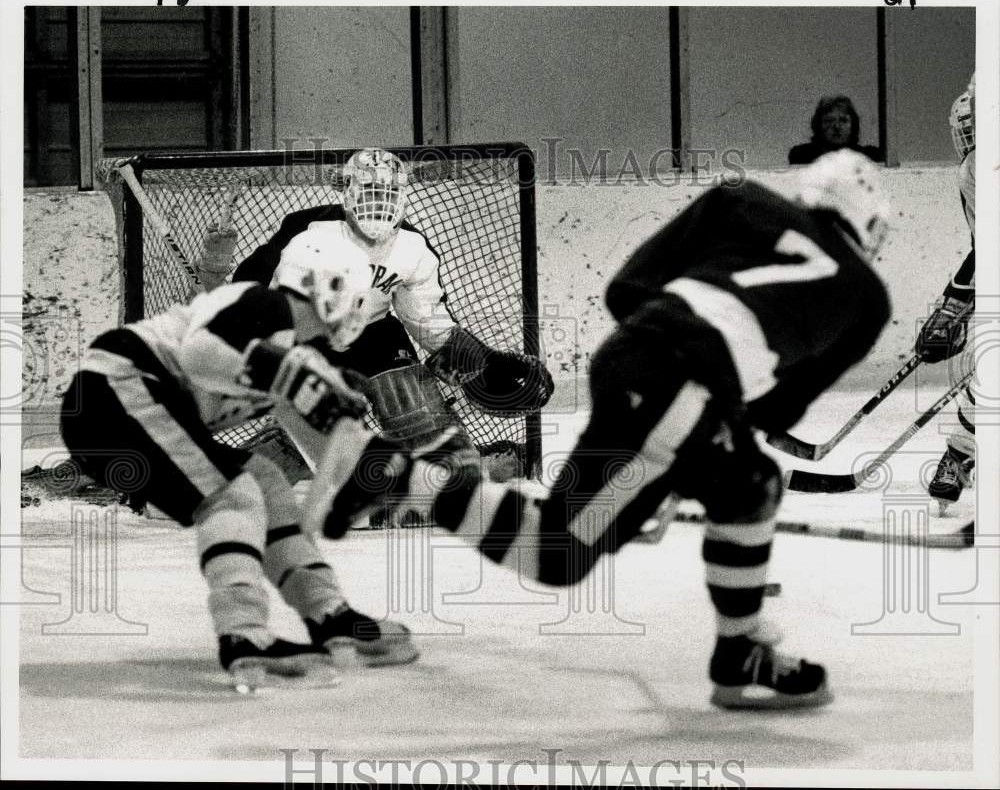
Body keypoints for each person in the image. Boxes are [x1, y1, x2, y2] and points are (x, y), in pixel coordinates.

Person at [311, 149, 893, 710]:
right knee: (562, 549)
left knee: (745, 482)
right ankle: (400, 473)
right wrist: (683, 436)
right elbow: (778, 411)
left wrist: (681, 442)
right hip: (681, 387)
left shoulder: (744, 199)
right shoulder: (867, 298)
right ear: (867, 221)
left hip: (635, 354)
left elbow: (628, 288)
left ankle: (740, 652)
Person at [59, 231, 419, 689]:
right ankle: (245, 638)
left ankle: (329, 614)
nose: (360, 308)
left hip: (115, 406)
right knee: (233, 495)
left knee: (265, 481)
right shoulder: (263, 307)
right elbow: (201, 354)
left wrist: (366, 474)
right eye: (357, 293)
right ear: (330, 285)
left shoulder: (292, 350)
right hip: (117, 390)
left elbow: (323, 441)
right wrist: (298, 382)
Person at [226, 148, 553, 522]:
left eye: (387, 192)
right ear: (347, 191)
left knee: (438, 452)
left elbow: (427, 321)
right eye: (368, 191)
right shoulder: (305, 230)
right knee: (281, 464)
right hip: (312, 343)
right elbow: (253, 291)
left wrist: (481, 362)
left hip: (377, 337)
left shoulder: (412, 247)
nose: (378, 201)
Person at [915, 73, 976, 511]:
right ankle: (958, 456)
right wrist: (955, 302)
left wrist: (956, 303)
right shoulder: (974, 171)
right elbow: (988, 248)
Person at [789, 96, 882, 165]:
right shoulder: (802, 155)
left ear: (853, 125)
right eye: (829, 121)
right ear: (818, 126)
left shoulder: (870, 156)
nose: (836, 126)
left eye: (843, 120)